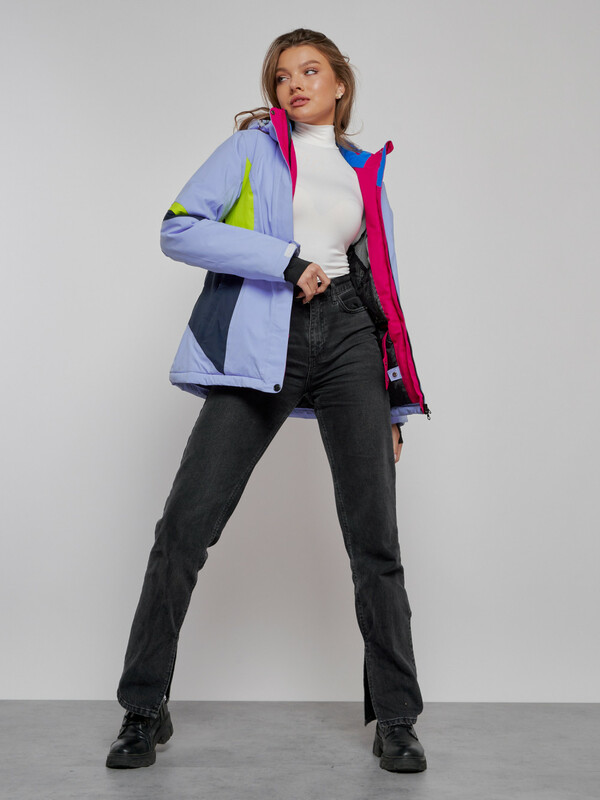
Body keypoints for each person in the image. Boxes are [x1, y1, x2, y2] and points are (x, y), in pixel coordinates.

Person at [105, 27, 431, 774]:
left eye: (311, 70)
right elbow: (178, 228)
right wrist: (282, 260)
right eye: (283, 75)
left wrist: (394, 403)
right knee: (183, 528)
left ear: (339, 83)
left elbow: (382, 289)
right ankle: (143, 708)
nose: (295, 84)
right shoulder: (251, 151)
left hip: (350, 338)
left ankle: (398, 718)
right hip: (266, 337)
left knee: (375, 540)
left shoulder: (364, 169)